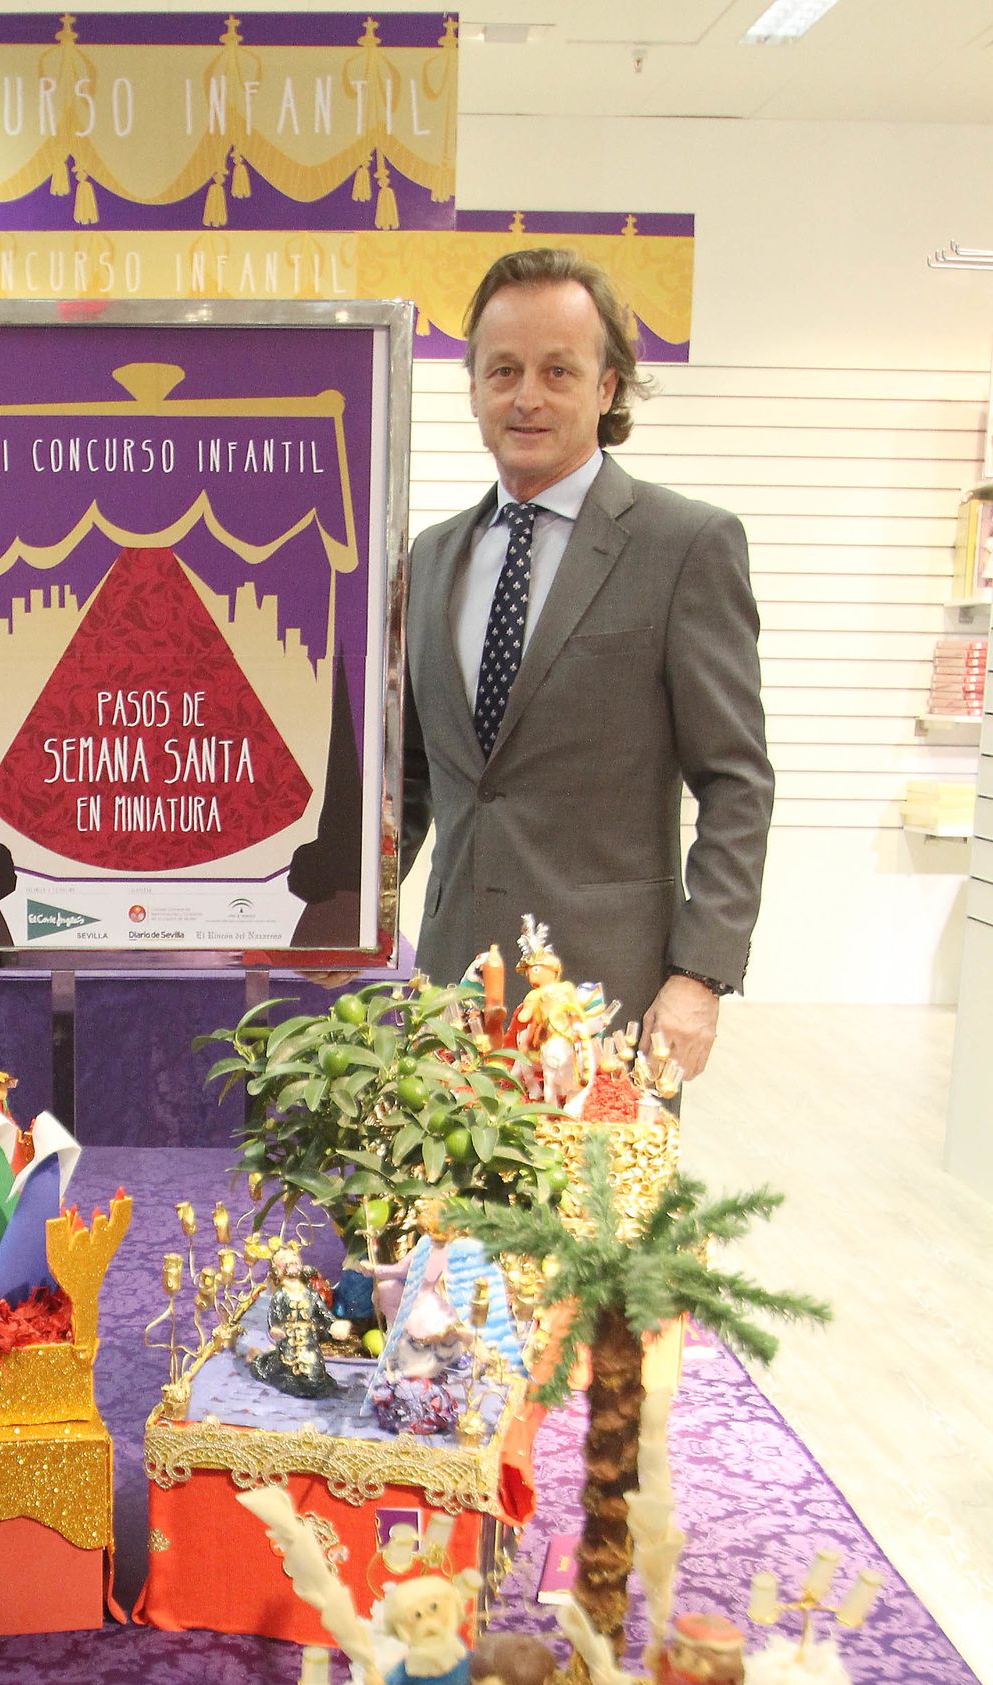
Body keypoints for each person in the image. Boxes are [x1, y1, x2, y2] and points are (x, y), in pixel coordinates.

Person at [401, 247, 774, 1083]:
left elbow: (735, 781)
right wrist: (347, 918)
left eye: (558, 371)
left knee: (601, 1219)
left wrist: (700, 976)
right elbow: (415, 780)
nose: (527, 396)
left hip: (611, 1005)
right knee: (444, 1218)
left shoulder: (685, 548)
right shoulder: (429, 559)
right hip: (452, 1001)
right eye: (503, 370)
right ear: (472, 388)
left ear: (607, 389)